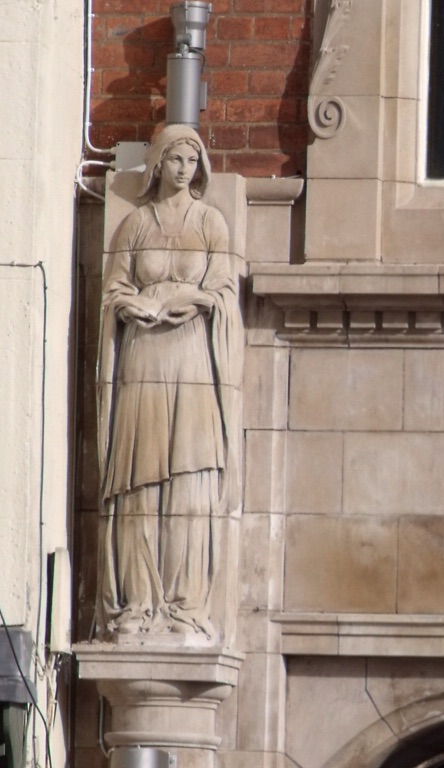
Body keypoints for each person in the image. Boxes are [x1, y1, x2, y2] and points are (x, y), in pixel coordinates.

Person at [96, 125, 243, 639]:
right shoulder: (136, 224)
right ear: (158, 163)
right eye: (176, 159)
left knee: (190, 473)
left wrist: (199, 299)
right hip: (143, 355)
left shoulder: (210, 223)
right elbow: (113, 288)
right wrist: (127, 304)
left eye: (192, 161)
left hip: (193, 356)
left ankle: (186, 603)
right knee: (139, 476)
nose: (184, 169)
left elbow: (225, 290)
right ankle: (138, 601)